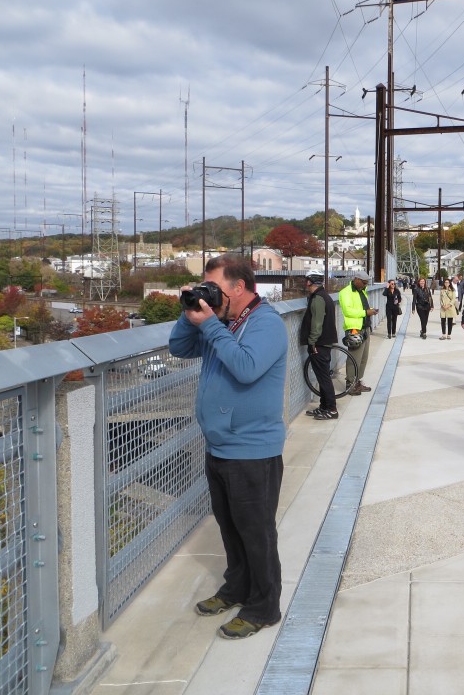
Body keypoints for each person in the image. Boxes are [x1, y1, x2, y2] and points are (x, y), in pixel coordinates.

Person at [168, 254, 286, 639]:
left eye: (214, 287)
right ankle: (236, 588)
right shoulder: (224, 321)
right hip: (219, 445)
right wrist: (192, 315)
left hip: (252, 448)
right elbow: (179, 349)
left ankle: (263, 607)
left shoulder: (265, 323)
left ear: (239, 287)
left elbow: (247, 367)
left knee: (257, 533)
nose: (210, 294)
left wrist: (213, 329)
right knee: (231, 529)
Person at [301, 271, 339, 420]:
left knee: (323, 378)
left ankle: (331, 409)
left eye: (307, 280)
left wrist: (312, 342)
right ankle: (324, 406)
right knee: (323, 376)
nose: (306, 283)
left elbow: (317, 323)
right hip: (325, 342)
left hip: (319, 343)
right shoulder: (325, 296)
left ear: (311, 282)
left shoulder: (318, 298)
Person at [339, 270, 379, 395]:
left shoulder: (362, 291)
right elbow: (348, 311)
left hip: (365, 327)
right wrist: (365, 313)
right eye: (363, 283)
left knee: (363, 358)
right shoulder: (345, 292)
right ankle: (350, 384)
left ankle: (357, 382)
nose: (365, 285)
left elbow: (362, 308)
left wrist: (369, 311)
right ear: (356, 279)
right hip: (354, 329)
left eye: (366, 283)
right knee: (354, 358)